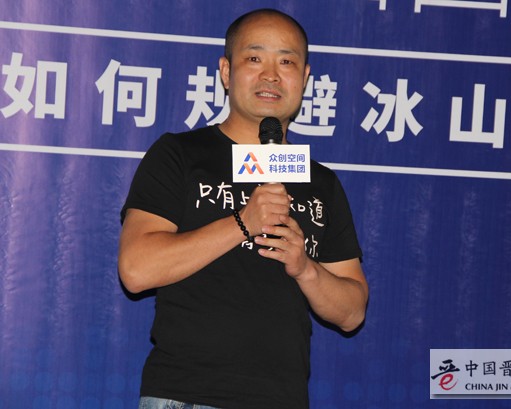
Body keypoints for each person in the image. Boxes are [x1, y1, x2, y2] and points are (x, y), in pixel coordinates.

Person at [118, 8, 368, 409]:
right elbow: (136, 270)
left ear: (304, 79)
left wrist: (305, 268)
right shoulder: (180, 154)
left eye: (286, 62)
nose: (271, 75)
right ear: (226, 71)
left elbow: (352, 311)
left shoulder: (321, 182)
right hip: (185, 397)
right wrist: (242, 222)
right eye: (254, 58)